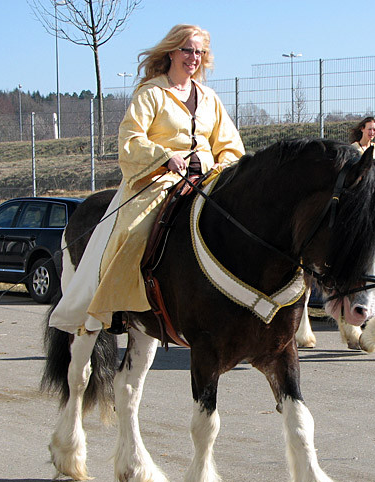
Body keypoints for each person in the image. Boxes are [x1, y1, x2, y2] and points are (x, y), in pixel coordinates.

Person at [49, 24, 245, 335]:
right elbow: (130, 139)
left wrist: (222, 169)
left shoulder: (210, 98)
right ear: (171, 52)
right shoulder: (150, 93)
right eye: (187, 50)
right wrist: (164, 157)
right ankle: (116, 306)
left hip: (209, 179)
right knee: (133, 230)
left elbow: (231, 146)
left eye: (199, 52)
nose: (193, 57)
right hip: (161, 179)